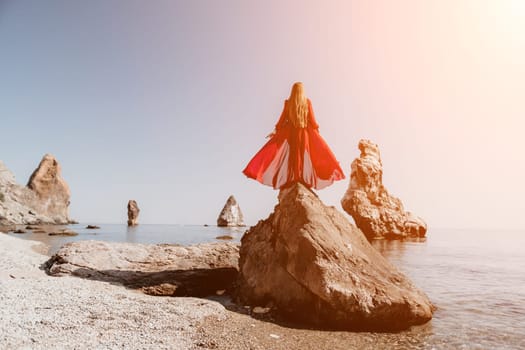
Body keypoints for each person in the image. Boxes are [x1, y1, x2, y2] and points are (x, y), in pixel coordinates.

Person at [243, 82, 345, 190]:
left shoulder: (288, 103)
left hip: (290, 134)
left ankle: (294, 178)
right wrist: (316, 132)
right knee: (302, 156)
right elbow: (313, 121)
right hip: (304, 134)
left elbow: (281, 121)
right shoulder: (307, 102)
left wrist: (275, 131)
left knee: (293, 156)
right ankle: (300, 178)